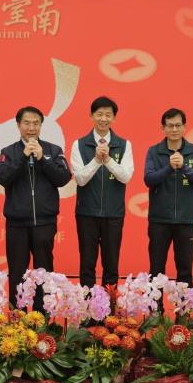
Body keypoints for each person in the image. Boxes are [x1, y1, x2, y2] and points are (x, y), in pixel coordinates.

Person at [0, 106, 72, 312]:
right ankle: (17, 319)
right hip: (17, 224)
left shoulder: (53, 151)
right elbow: (3, 177)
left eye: (36, 123)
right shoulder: (8, 152)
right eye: (27, 123)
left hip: (44, 223)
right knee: (17, 272)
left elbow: (63, 178)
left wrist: (43, 159)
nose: (31, 128)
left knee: (44, 272)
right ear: (18, 125)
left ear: (41, 126)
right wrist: (22, 157)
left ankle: (42, 317)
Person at [70, 96, 134, 288]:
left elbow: (126, 176)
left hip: (113, 213)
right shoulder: (79, 144)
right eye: (99, 114)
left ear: (114, 117)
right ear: (91, 116)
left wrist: (108, 160)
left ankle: (109, 304)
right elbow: (80, 179)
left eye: (108, 115)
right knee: (87, 264)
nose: (103, 119)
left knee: (111, 264)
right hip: (86, 213)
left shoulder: (124, 145)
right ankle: (86, 304)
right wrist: (96, 160)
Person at [144, 108, 193, 287]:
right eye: (170, 126)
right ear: (163, 128)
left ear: (184, 127)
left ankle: (184, 306)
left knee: (185, 269)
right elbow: (149, 179)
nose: (174, 129)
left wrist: (185, 167)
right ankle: (154, 305)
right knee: (156, 269)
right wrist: (169, 168)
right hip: (159, 220)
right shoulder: (154, 151)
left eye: (178, 125)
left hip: (186, 219)